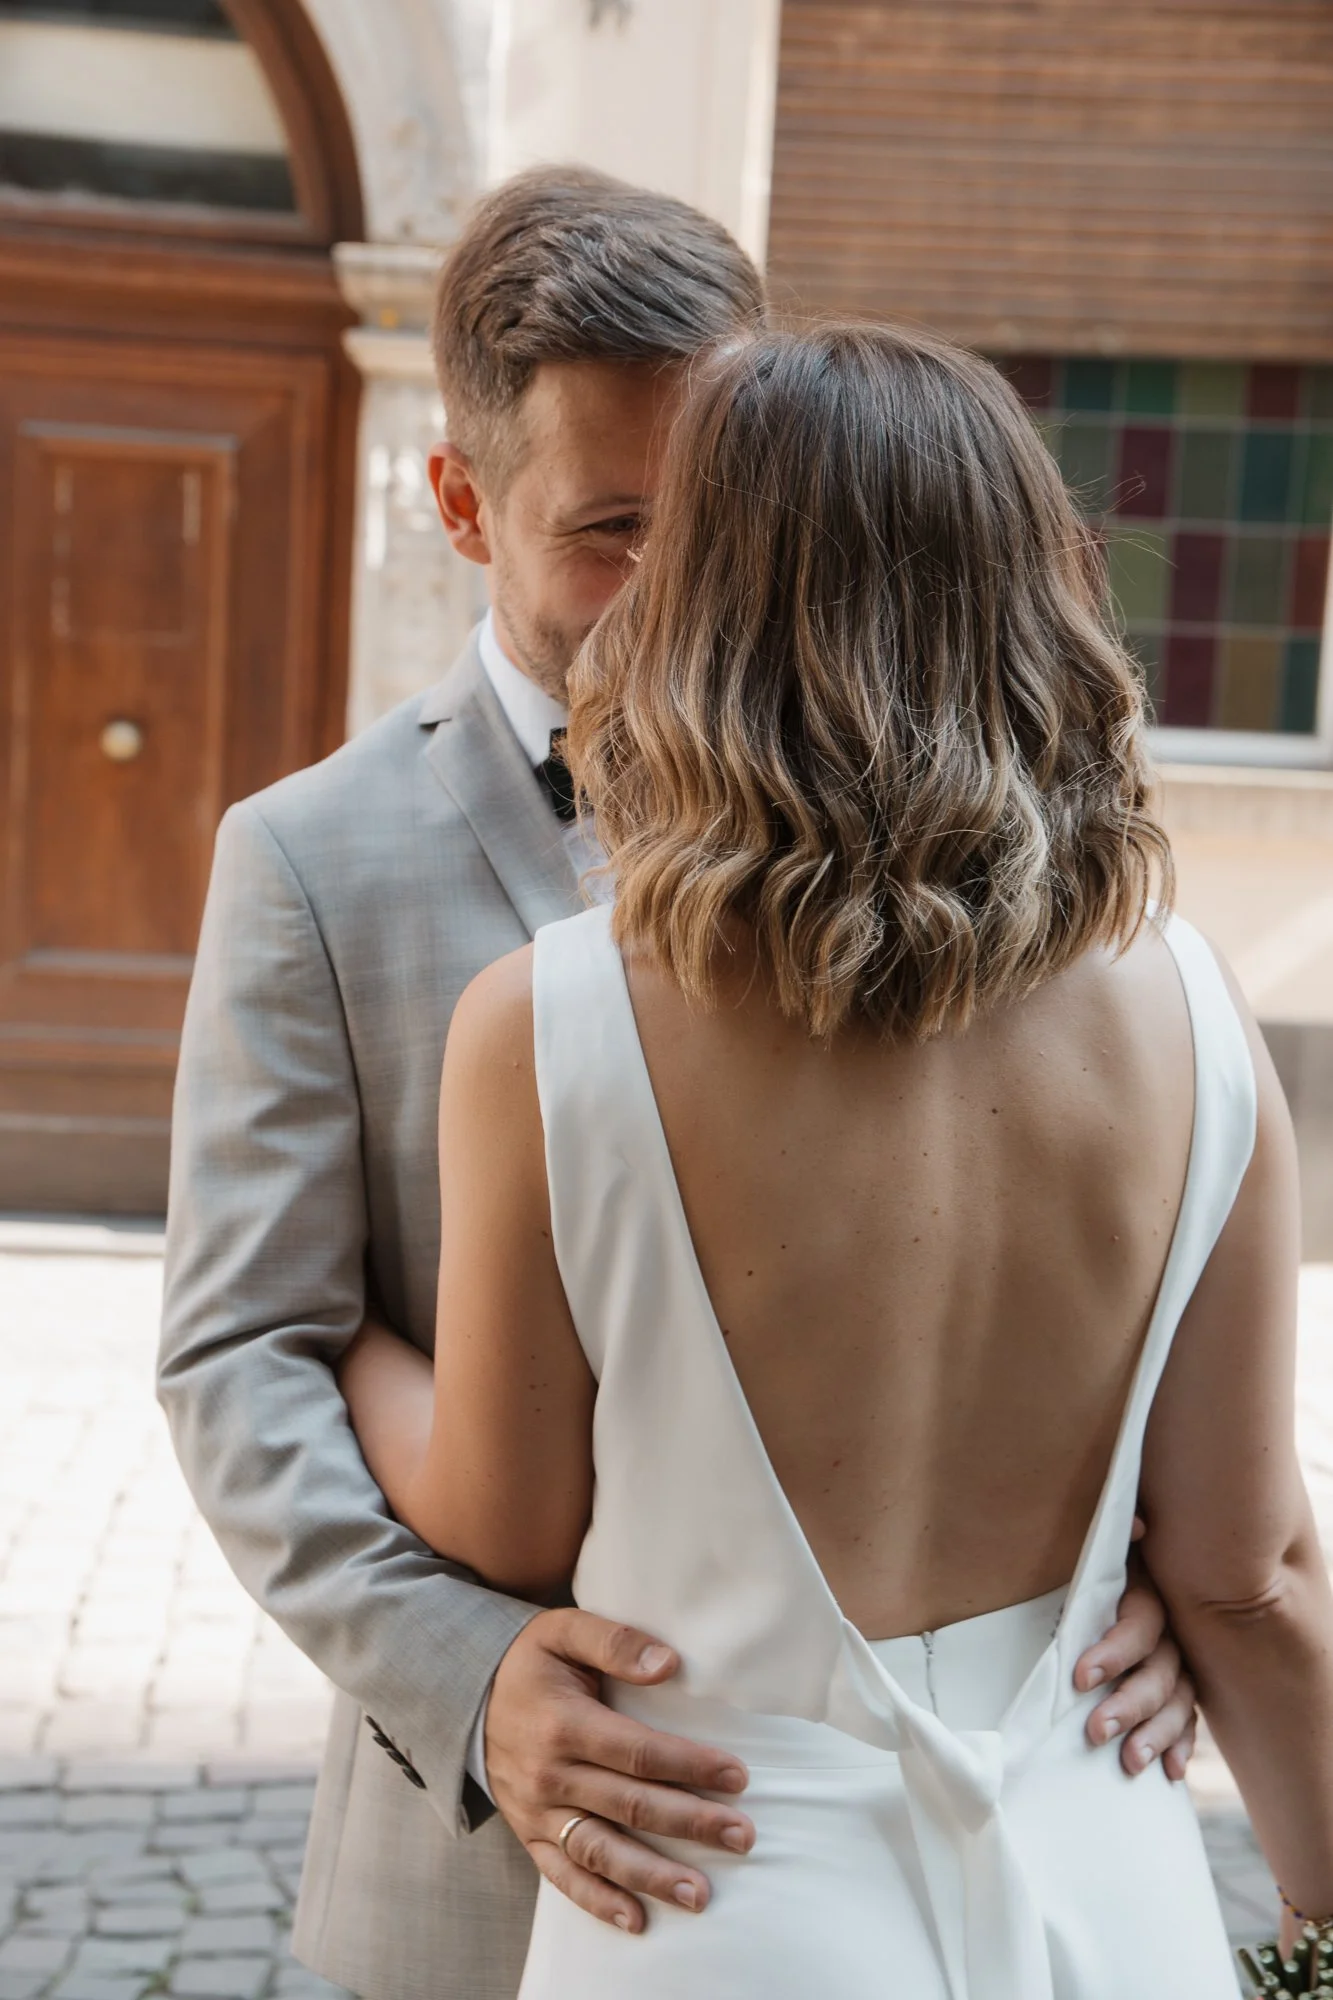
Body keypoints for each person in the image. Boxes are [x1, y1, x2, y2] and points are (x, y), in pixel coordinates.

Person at [158, 173, 1198, 2000]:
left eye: (716, 520)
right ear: (465, 505)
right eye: (615, 528)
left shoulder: (968, 837)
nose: (683, 589)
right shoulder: (314, 863)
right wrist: (468, 1679)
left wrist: (1135, 1581)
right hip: (490, 1872)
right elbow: (242, 1352)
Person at [337, 321, 1330, 2000]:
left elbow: (508, 1529)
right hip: (1104, 1895)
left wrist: (354, 1348)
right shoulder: (1195, 1014)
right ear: (1034, 598)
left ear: (699, 603)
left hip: (718, 1910)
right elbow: (1247, 1579)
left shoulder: (548, 1027)